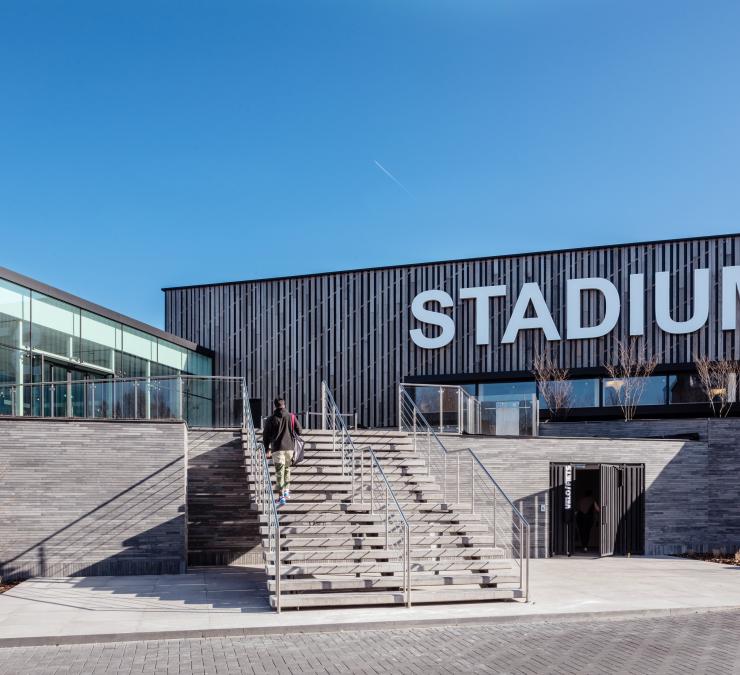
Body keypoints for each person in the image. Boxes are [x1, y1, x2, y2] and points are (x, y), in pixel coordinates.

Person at [262, 397, 303, 507]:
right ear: (284, 405)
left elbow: (265, 436)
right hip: (289, 448)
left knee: (279, 472)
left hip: (277, 449)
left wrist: (267, 449)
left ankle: (281, 497)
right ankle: (286, 491)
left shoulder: (270, 419)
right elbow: (300, 431)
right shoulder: (291, 417)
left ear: (275, 406)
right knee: (287, 470)